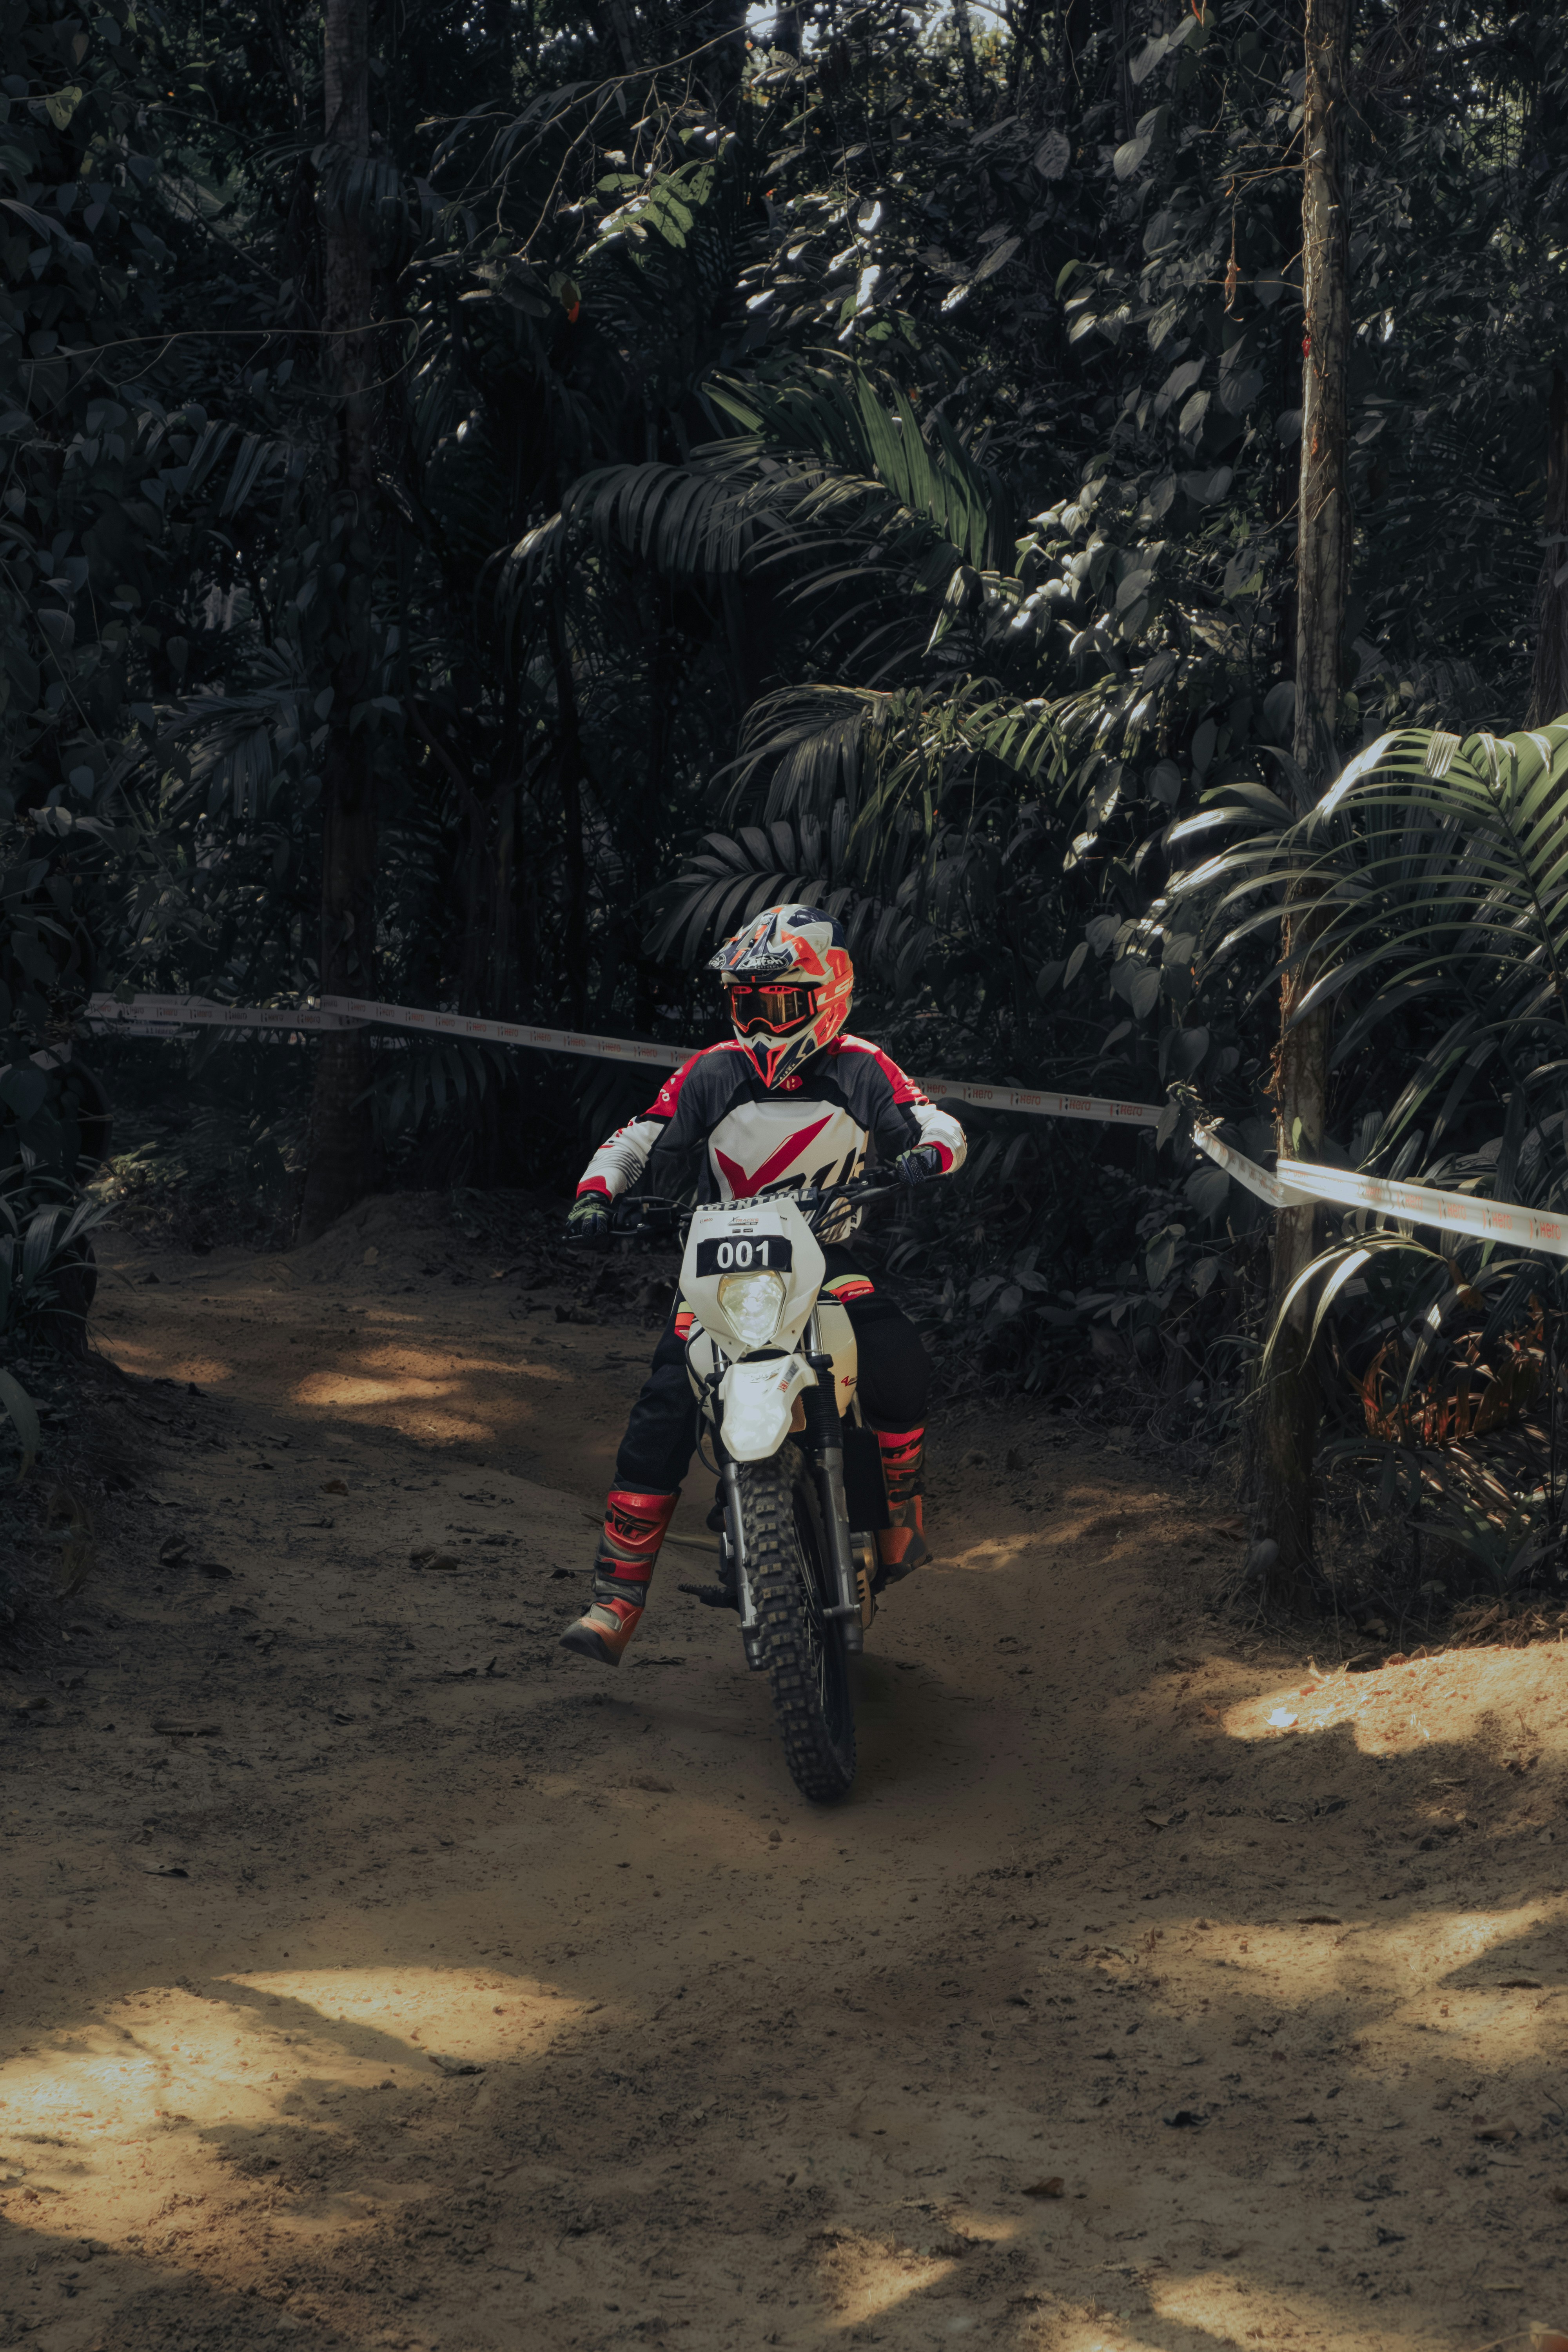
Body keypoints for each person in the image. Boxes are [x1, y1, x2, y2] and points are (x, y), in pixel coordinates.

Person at [559, 903, 967, 1666]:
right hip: (722, 1266)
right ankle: (614, 1600)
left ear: (824, 993)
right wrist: (595, 1194)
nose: (763, 1020)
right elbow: (638, 1137)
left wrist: (925, 1156)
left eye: (780, 1001)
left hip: (826, 1259)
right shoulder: (711, 1072)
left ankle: (900, 1512)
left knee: (898, 1361)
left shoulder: (861, 1068)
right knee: (663, 1406)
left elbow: (931, 1121)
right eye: (748, 1003)